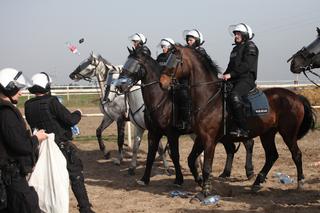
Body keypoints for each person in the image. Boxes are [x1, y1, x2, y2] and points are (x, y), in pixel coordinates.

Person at [24, 72, 95, 213]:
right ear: (47, 86)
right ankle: (85, 208)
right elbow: (70, 120)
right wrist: (78, 113)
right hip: (60, 146)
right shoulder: (51, 101)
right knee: (75, 174)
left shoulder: (28, 104)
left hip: (40, 147)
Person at [0, 68, 48, 213]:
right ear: (9, 87)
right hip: (11, 176)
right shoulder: (6, 113)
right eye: (18, 89)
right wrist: (36, 138)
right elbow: (21, 145)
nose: (21, 92)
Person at [222, 23, 259, 137]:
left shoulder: (250, 46)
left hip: (246, 79)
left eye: (238, 34)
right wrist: (223, 76)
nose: (236, 36)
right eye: (235, 34)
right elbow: (230, 67)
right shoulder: (235, 49)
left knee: (234, 95)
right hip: (234, 79)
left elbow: (246, 65)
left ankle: (243, 128)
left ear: (245, 35)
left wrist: (231, 75)